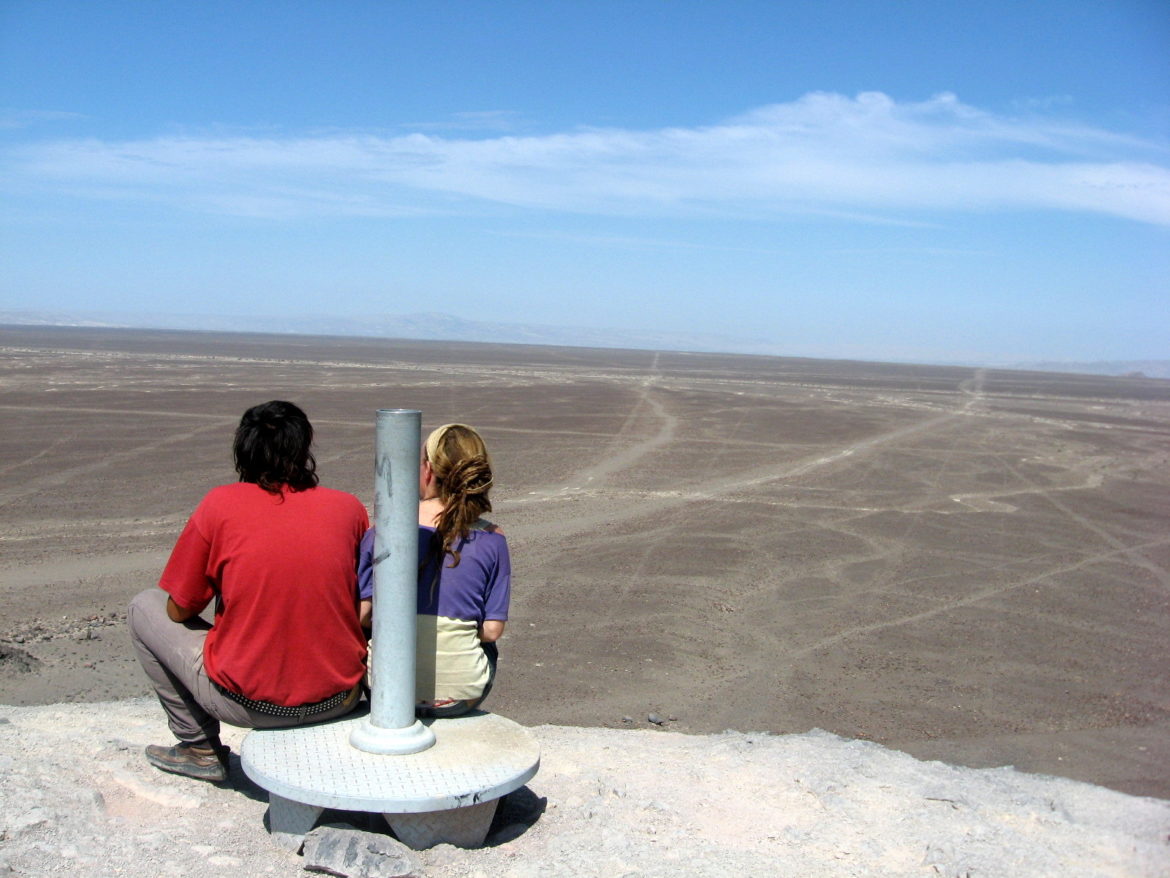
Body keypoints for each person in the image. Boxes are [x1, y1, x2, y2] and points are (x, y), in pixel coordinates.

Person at [129, 400, 369, 782]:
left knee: (144, 606)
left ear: (244, 450)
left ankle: (198, 746)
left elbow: (178, 609)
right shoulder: (349, 509)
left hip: (247, 704)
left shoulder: (220, 505)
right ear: (304, 447)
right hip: (339, 699)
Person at [357, 423, 511, 718]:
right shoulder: (493, 539)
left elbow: (363, 615)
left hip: (387, 692)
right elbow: (492, 631)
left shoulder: (383, 530)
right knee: (484, 647)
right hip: (460, 698)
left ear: (428, 470)